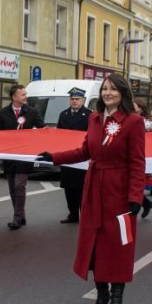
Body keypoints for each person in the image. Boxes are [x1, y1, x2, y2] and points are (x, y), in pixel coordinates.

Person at [36, 74, 146, 304]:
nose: (108, 93)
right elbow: (84, 151)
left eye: (113, 89)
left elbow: (138, 162)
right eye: (105, 89)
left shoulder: (133, 122)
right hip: (94, 189)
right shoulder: (94, 119)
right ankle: (102, 294)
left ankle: (117, 299)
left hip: (118, 191)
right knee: (94, 244)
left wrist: (135, 196)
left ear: (123, 93)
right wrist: (53, 157)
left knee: (118, 246)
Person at [0, 84, 44, 230]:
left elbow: (42, 129)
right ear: (14, 97)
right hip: (9, 155)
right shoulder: (3, 113)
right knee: (12, 188)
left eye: (25, 94)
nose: (26, 96)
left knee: (19, 186)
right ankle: (21, 215)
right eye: (22, 94)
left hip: (24, 155)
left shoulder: (32, 112)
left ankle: (16, 218)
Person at [55, 87, 91, 224]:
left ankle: (85, 214)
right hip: (67, 155)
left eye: (77, 99)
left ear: (83, 100)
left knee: (82, 188)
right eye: (72, 99)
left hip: (82, 155)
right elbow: (59, 134)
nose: (74, 101)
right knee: (68, 187)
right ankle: (73, 213)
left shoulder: (89, 115)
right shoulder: (63, 114)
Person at [133, 98, 152, 218]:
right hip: (131, 154)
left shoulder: (147, 123)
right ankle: (146, 203)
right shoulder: (127, 119)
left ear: (141, 109)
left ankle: (142, 204)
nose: (132, 107)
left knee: (135, 183)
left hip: (143, 155)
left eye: (135, 106)